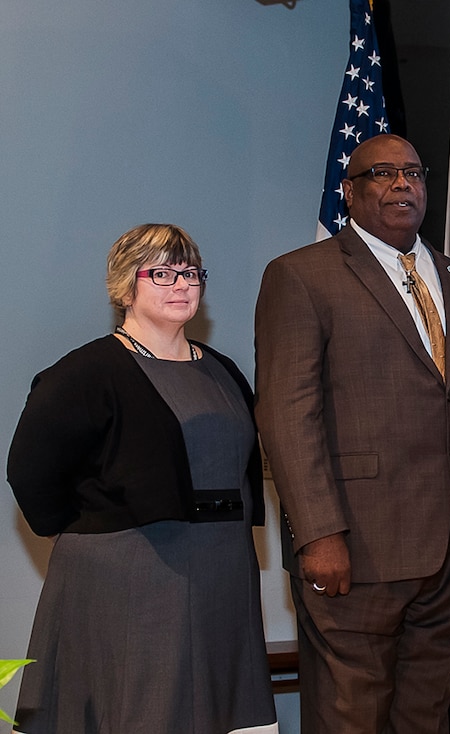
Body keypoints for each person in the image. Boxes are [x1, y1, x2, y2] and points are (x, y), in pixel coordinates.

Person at [254, 134, 450, 733]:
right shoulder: (301, 275)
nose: (402, 184)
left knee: (423, 713)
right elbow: (288, 414)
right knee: (352, 715)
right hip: (355, 545)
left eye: (414, 173)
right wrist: (318, 532)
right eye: (382, 173)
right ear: (350, 191)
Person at [7, 224, 277, 734]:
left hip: (223, 571)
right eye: (163, 273)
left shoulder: (222, 368)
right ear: (126, 286)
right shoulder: (85, 371)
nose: (182, 285)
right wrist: (94, 530)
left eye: (191, 273)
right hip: (132, 575)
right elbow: (30, 469)